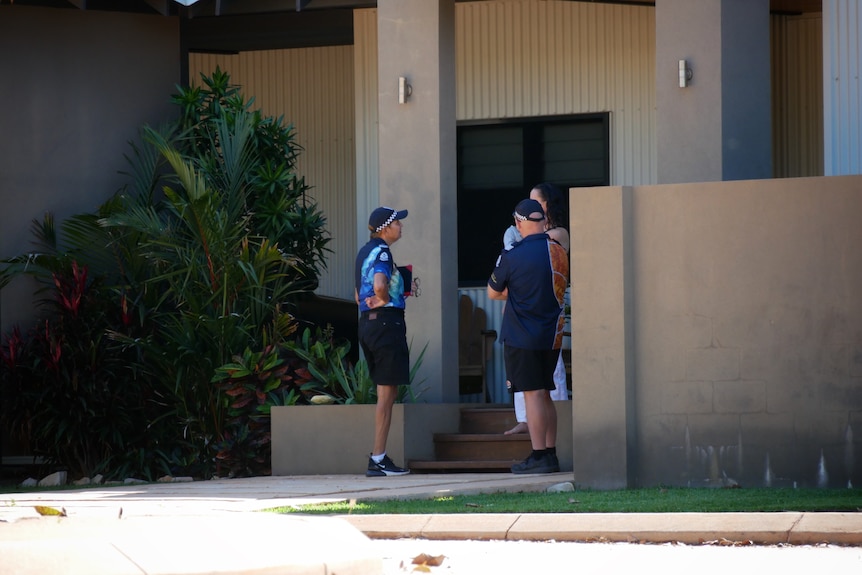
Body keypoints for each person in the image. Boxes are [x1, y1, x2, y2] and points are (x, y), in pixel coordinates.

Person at [488, 198, 569, 474]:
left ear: (519, 223)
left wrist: (516, 292)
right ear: (543, 221)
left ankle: (538, 455)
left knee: (533, 395)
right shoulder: (558, 251)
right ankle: (551, 453)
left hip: (522, 336)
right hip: (552, 337)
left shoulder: (512, 254)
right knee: (546, 394)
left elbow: (492, 291)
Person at [502, 183, 570, 435]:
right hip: (523, 312)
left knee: (551, 372)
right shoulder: (523, 240)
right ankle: (524, 419)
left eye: (536, 202)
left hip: (546, 313)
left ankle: (555, 420)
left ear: (548, 205)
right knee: (524, 374)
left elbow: (536, 249)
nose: (531, 206)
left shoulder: (559, 233)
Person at [355, 206, 412, 477]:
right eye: (397, 223)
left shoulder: (363, 253)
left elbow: (358, 296)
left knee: (384, 394)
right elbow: (379, 285)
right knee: (386, 396)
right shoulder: (383, 253)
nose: (401, 226)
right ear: (385, 228)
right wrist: (387, 298)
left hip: (368, 325)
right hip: (387, 325)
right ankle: (377, 459)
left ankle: (379, 457)